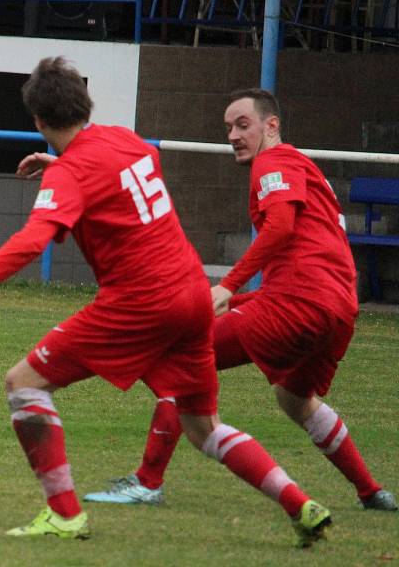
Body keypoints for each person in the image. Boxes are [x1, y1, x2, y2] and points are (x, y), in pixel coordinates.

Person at [0, 58, 334, 547]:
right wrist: (66, 170)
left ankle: (64, 515)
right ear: (85, 104)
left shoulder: (70, 176)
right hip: (194, 294)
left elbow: (34, 240)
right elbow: (120, 179)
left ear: (38, 122)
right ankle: (300, 504)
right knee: (203, 426)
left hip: (140, 302)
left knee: (23, 384)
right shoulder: (126, 141)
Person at [84, 88, 398, 512]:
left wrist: (227, 286)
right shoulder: (301, 165)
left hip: (298, 303)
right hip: (337, 309)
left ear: (273, 126)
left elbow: (281, 228)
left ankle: (146, 483)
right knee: (294, 398)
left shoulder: (275, 160)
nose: (233, 134)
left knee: (178, 360)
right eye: (228, 127)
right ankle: (371, 491)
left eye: (242, 124)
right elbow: (302, 257)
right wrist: (239, 300)